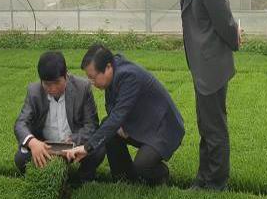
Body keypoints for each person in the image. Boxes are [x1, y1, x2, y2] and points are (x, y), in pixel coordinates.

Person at [161, 0, 241, 191]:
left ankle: (216, 183)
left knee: (214, 126)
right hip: (202, 62)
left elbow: (224, 21)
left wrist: (235, 38)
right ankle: (204, 177)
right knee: (206, 123)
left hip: (211, 64)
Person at [64, 44, 185, 186]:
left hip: (163, 129)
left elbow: (117, 116)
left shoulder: (129, 76)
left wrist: (87, 147)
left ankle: (161, 174)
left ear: (108, 67)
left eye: (93, 78)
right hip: (143, 122)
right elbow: (111, 108)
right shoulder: (113, 72)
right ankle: (124, 179)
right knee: (109, 127)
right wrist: (119, 125)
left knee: (142, 166)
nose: (92, 83)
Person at [13, 51, 104, 182]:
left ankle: (81, 179)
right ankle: (44, 177)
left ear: (65, 75)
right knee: (21, 158)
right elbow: (20, 123)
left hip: (74, 146)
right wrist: (33, 142)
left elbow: (92, 125)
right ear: (41, 81)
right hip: (45, 147)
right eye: (47, 84)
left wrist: (73, 141)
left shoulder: (82, 87)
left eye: (57, 82)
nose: (53, 88)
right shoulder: (34, 92)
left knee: (98, 150)